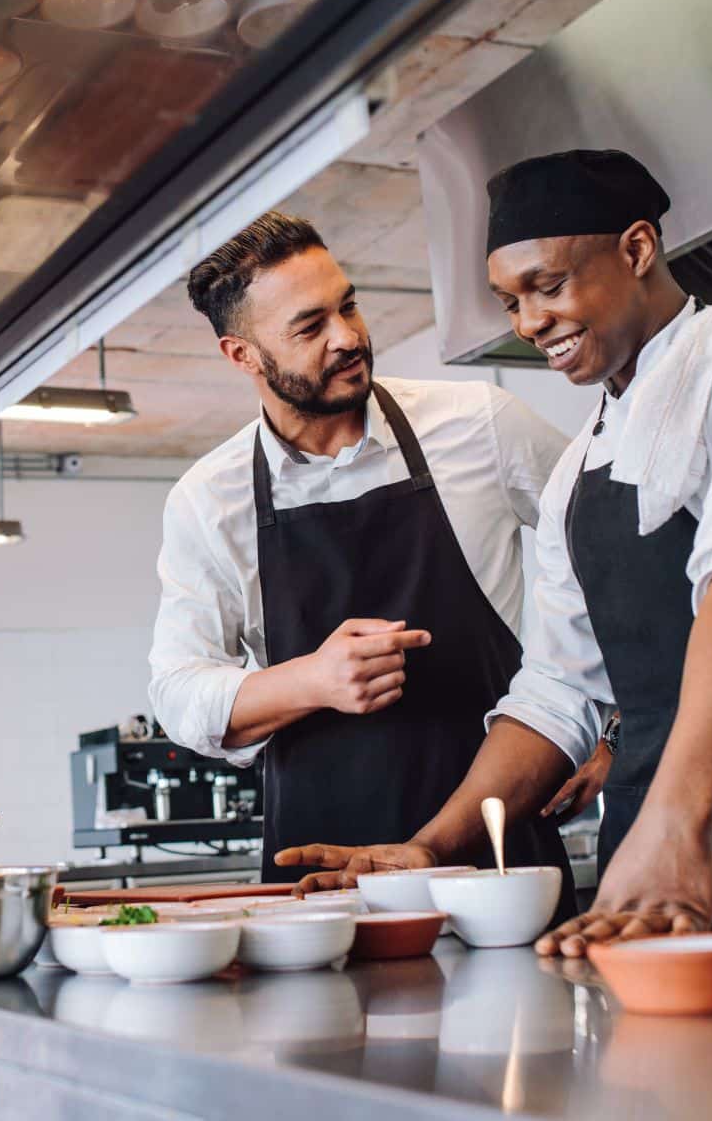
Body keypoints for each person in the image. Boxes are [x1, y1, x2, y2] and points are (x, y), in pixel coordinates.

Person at [277, 150, 712, 950]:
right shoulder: (576, 470)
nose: (527, 324)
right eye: (508, 302)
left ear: (635, 249)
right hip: (652, 867)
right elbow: (557, 692)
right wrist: (431, 845)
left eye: (548, 286)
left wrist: (677, 821)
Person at [148, 210, 577, 896]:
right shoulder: (209, 498)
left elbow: (615, 565)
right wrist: (312, 681)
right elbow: (177, 694)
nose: (347, 337)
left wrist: (611, 731)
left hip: (495, 852)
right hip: (321, 875)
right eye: (309, 326)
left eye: (346, 305)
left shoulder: (480, 425)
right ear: (242, 355)